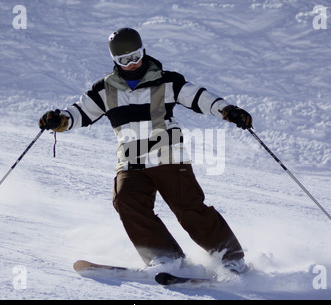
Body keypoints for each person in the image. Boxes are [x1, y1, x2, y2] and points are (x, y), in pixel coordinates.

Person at [39, 28, 253, 274]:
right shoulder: (104, 90)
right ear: (115, 61)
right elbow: (79, 113)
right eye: (124, 60)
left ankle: (231, 258)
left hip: (168, 154)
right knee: (125, 199)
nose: (131, 64)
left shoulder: (167, 81)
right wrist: (60, 120)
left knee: (188, 207)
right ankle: (165, 257)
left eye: (136, 57)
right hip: (131, 159)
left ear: (144, 51)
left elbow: (200, 98)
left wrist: (228, 111)